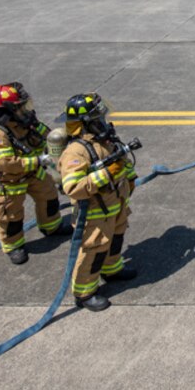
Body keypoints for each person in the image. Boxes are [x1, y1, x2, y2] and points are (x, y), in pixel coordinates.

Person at [56, 93, 139, 311]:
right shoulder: (77, 151)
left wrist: (130, 177)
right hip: (94, 213)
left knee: (116, 238)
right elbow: (73, 186)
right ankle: (85, 292)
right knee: (94, 251)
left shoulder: (104, 140)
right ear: (86, 123)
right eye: (98, 118)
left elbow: (121, 162)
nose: (103, 121)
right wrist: (105, 175)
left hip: (115, 205)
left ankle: (112, 269)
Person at [0, 84, 70, 265]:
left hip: (31, 174)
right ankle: (13, 246)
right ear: (9, 110)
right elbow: (6, 163)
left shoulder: (23, 123)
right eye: (21, 106)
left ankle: (51, 226)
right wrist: (39, 161)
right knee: (11, 216)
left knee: (49, 196)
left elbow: (49, 136)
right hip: (9, 181)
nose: (25, 109)